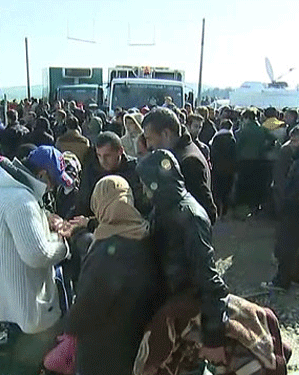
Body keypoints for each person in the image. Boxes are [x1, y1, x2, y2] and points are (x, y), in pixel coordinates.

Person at [0, 145, 72, 373]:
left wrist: (44, 218)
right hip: (23, 295)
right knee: (28, 358)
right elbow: (37, 255)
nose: (52, 188)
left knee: (15, 343)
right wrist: (63, 244)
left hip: (0, 287)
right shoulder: (21, 200)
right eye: (53, 182)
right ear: (42, 175)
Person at [64, 175, 160, 375]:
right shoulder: (144, 233)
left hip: (103, 352)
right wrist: (78, 234)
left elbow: (87, 306)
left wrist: (69, 327)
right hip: (135, 341)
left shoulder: (107, 252)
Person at [136, 149, 230, 349]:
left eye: (146, 185)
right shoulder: (163, 209)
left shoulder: (190, 217)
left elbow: (208, 277)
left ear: (157, 184)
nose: (144, 192)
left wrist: (213, 337)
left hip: (185, 307)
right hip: (168, 300)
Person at [263, 125, 299, 290]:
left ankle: (282, 281)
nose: (291, 144)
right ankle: (297, 277)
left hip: (297, 210)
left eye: (295, 141)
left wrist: (287, 203)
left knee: (288, 246)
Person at [142, 107, 217, 223]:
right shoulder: (182, 152)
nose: (148, 145)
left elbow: (207, 213)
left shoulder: (189, 162)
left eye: (149, 139)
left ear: (166, 134)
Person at [74, 131, 148, 217]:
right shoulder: (91, 171)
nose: (103, 161)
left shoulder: (135, 170)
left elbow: (140, 206)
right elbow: (83, 202)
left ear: (120, 151)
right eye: (99, 155)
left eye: (107, 156)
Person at [234, 108, 276, 217]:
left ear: (246, 118)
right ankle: (255, 207)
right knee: (256, 185)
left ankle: (243, 210)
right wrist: (263, 148)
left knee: (244, 185)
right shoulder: (262, 129)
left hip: (245, 161)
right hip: (259, 160)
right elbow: (273, 139)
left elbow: (238, 145)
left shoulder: (243, 130)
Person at [210, 119, 237, 218]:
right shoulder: (231, 139)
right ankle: (224, 212)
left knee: (217, 191)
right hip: (229, 170)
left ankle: (217, 210)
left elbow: (212, 153)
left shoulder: (216, 138)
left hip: (217, 169)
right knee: (226, 191)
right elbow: (234, 155)